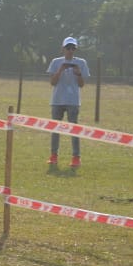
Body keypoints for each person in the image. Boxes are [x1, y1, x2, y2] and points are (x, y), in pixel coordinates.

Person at [47, 36, 90, 167]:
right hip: (57, 100)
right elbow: (53, 82)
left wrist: (78, 73)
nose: (70, 51)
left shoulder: (81, 62)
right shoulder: (56, 62)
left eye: (73, 48)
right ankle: (54, 155)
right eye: (68, 48)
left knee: (74, 130)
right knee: (55, 129)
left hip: (73, 101)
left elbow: (82, 85)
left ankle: (76, 157)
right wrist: (60, 69)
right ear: (63, 49)